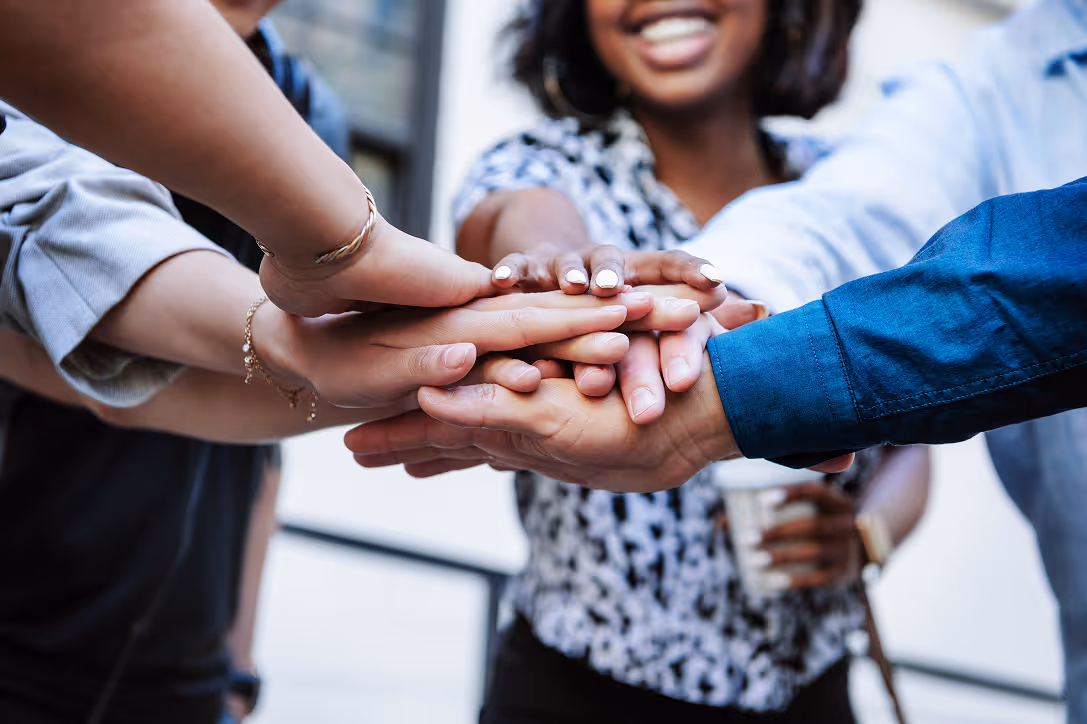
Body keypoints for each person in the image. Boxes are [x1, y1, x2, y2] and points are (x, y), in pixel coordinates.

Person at [444, 1, 931, 722]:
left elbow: (912, 435)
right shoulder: (543, 166)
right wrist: (558, 266)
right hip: (579, 687)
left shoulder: (838, 189)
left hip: (807, 689)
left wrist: (866, 534)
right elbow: (517, 222)